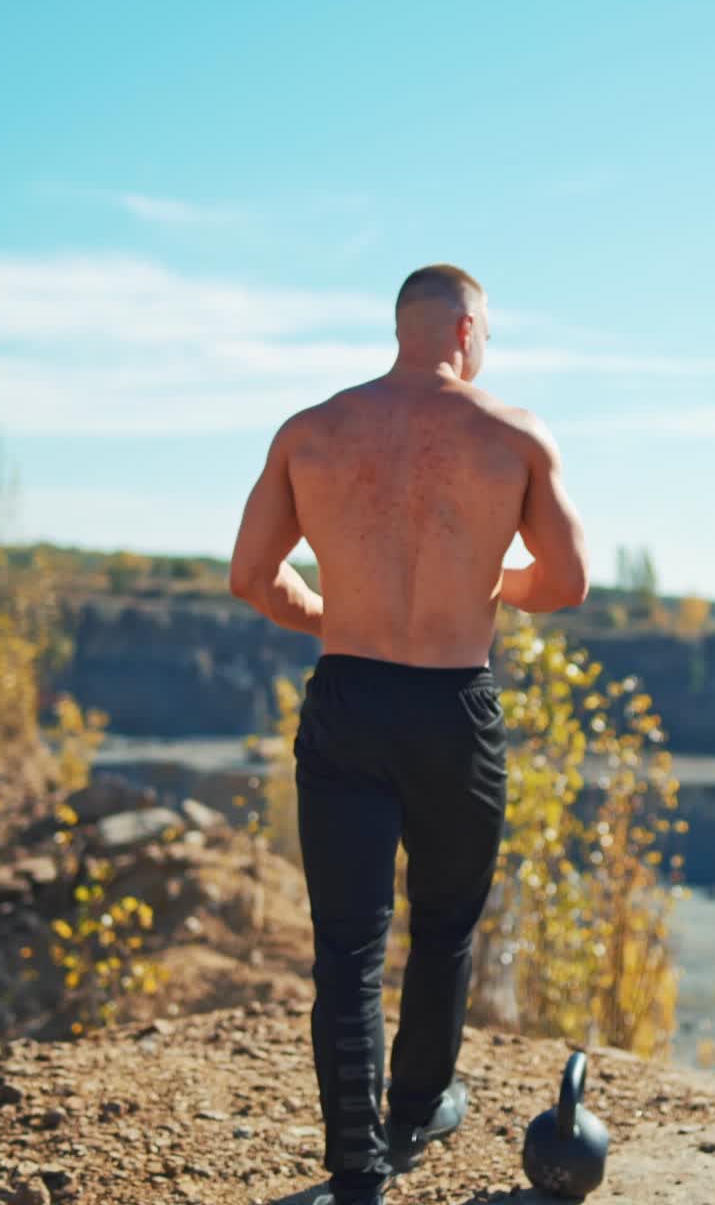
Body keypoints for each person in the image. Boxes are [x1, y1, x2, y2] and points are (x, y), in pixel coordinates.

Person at [227, 264, 590, 1205]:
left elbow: (252, 579)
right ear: (469, 330)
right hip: (451, 705)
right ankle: (419, 1104)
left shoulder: (311, 432)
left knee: (347, 942)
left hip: (348, 697)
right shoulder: (512, 436)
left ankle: (356, 1165)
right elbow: (567, 582)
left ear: (404, 328)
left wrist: (331, 613)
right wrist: (492, 584)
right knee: (444, 920)